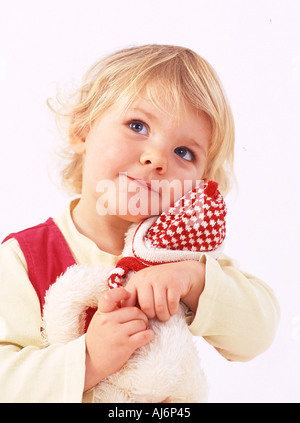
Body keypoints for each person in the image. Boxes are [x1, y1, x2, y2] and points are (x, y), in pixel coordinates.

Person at [0, 44, 280, 403]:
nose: (157, 158)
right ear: (83, 130)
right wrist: (88, 359)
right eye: (137, 126)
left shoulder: (180, 256)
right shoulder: (23, 259)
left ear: (199, 183)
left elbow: (258, 334)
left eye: (184, 152)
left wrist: (193, 280)